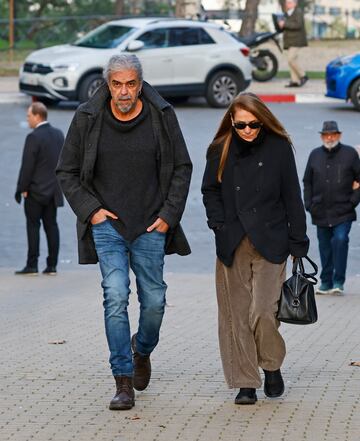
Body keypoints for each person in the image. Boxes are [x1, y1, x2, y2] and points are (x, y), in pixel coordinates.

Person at [56, 54, 192, 411]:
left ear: (140, 84)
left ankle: (141, 349)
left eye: (131, 83)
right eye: (117, 84)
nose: (124, 92)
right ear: (107, 84)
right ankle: (123, 380)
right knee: (115, 296)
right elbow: (66, 172)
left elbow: (182, 166)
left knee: (155, 302)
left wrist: (168, 215)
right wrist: (92, 212)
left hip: (150, 225)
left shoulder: (161, 116)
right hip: (108, 227)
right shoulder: (88, 116)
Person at [201, 92, 309, 405]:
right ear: (231, 123)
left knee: (263, 311)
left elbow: (292, 195)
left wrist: (298, 241)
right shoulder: (220, 149)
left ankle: (271, 364)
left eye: (253, 124)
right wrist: (218, 224)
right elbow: (210, 190)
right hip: (233, 240)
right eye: (241, 125)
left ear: (263, 120)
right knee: (235, 316)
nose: (247, 130)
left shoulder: (279, 148)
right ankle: (245, 382)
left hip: (271, 240)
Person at [303, 121, 360, 295]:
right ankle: (326, 282)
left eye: (333, 134)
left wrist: (352, 202)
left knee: (340, 240)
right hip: (320, 211)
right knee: (325, 246)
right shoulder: (315, 155)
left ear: (339, 135)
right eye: (326, 135)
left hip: (344, 211)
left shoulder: (350, 154)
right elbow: (307, 181)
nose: (329, 138)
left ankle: (338, 281)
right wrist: (309, 204)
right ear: (321, 136)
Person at [15, 102, 64, 276]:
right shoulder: (58, 134)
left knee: (33, 226)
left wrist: (22, 188)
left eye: (29, 116)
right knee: (52, 226)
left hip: (35, 192)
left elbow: (27, 166)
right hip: (52, 192)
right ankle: (52, 266)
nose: (28, 120)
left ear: (37, 115)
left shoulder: (33, 137)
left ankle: (32, 265)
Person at [278, 0, 308, 88]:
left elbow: (298, 25)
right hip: (289, 41)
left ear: (295, 4)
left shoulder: (298, 12)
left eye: (290, 2)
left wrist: (285, 23)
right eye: (287, 2)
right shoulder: (287, 13)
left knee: (291, 59)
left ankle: (303, 76)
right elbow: (286, 26)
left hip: (297, 40)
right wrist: (280, 24)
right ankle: (295, 81)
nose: (287, 4)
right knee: (292, 60)